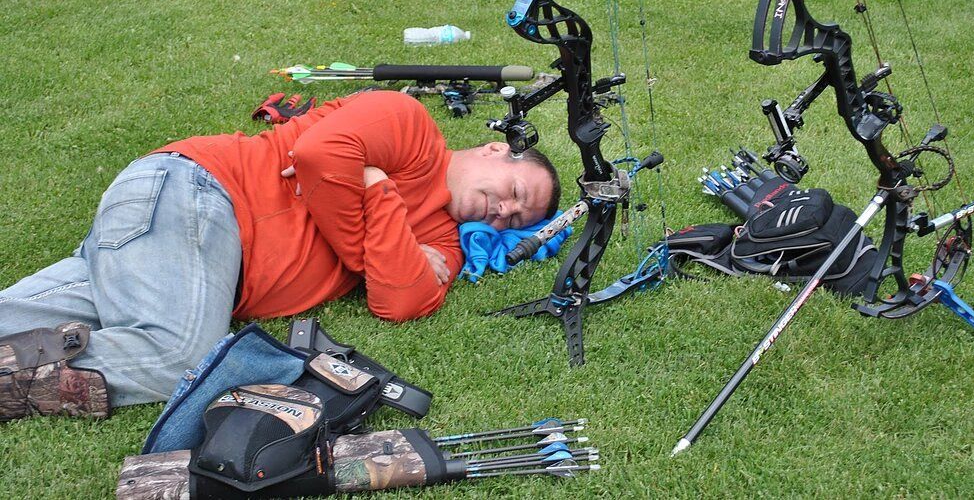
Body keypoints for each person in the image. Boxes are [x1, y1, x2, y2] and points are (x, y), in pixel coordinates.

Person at [0, 90, 559, 420]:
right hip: (198, 194)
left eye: (515, 220)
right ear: (495, 150)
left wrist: (374, 189)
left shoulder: (440, 243)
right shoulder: (410, 126)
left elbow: (403, 301)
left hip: (186, 265)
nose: (504, 212)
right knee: (181, 358)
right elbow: (320, 154)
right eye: (515, 192)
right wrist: (376, 248)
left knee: (15, 320)